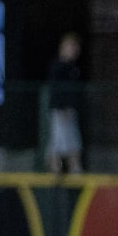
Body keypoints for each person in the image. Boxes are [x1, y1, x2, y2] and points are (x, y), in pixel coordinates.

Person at [45, 32, 85, 174]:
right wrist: (61, 108)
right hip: (60, 111)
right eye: (71, 46)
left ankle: (75, 170)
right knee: (59, 140)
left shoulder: (72, 68)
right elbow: (55, 91)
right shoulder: (58, 66)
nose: (74, 50)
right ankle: (55, 170)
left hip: (70, 110)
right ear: (63, 47)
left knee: (72, 140)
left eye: (76, 47)